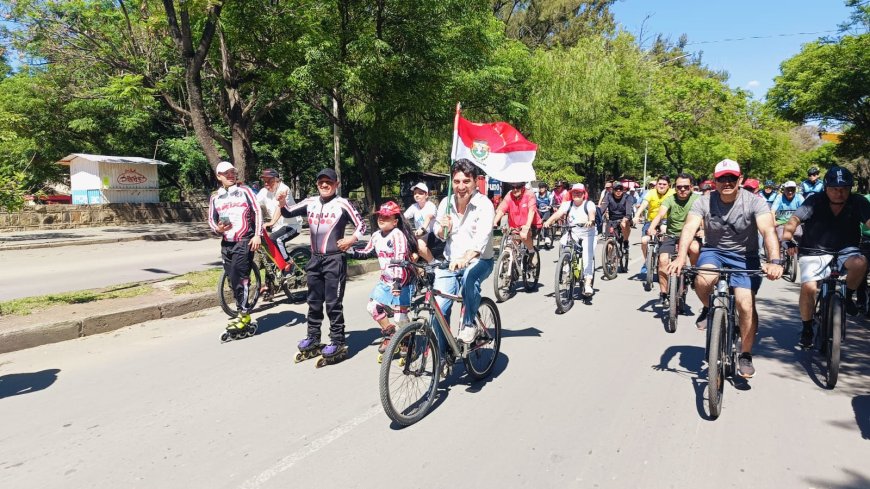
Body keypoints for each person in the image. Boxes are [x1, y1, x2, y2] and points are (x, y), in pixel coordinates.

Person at [668, 159, 783, 379]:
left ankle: (745, 354)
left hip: (745, 256)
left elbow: (768, 231)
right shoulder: (704, 200)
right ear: (715, 181)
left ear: (739, 179)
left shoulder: (755, 202)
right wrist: (681, 257)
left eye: (732, 178)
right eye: (722, 179)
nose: (727, 182)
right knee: (702, 280)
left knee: (745, 305)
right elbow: (690, 227)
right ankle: (708, 307)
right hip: (714, 251)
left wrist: (774, 262)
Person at [279, 168, 366, 360]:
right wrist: (282, 202)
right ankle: (313, 337)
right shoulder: (310, 202)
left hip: (334, 259)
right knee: (314, 301)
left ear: (337, 184)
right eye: (321, 182)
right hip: (315, 259)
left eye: (329, 182)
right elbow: (288, 211)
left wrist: (352, 239)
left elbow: (362, 225)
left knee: (333, 303)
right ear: (317, 184)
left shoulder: (343, 204)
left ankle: (337, 340)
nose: (325, 185)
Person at [781, 166, 870, 348]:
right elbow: (793, 221)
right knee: (809, 287)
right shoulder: (814, 201)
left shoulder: (858, 201)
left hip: (846, 249)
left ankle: (848, 297)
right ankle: (807, 327)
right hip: (814, 250)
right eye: (835, 189)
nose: (839, 193)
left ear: (850, 188)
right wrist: (788, 239)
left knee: (861, 262)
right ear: (826, 188)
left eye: (844, 188)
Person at [433, 159, 495, 345]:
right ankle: (444, 357)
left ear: (476, 182)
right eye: (457, 181)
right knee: (438, 311)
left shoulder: (484, 205)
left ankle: (469, 323)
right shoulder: (446, 202)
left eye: (466, 181)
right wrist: (443, 228)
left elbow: (481, 241)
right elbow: (439, 234)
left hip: (479, 261)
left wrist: (465, 257)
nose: (461, 186)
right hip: (449, 263)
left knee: (469, 276)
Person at [347, 201, 414, 355]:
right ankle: (390, 334)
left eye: (386, 217)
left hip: (402, 282)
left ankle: (407, 338)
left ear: (395, 221)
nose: (381, 219)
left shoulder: (398, 235)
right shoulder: (376, 235)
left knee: (399, 318)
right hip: (385, 280)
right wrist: (349, 251)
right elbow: (367, 251)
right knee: (372, 307)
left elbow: (399, 259)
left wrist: (397, 283)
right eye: (380, 217)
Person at [207, 161, 263, 334]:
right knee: (232, 279)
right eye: (226, 173)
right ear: (219, 177)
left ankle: (244, 314)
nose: (230, 175)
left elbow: (258, 212)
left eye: (232, 172)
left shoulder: (245, 191)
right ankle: (241, 307)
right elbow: (211, 220)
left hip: (244, 240)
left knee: (241, 277)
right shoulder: (216, 197)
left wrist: (257, 234)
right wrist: (218, 229)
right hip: (226, 243)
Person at [646, 173, 701, 308]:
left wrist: (703, 229)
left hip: (690, 236)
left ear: (691, 187)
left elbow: (704, 216)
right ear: (674, 187)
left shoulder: (698, 200)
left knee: (695, 248)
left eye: (686, 187)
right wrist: (652, 228)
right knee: (663, 260)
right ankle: (663, 294)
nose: (682, 190)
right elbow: (660, 214)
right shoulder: (670, 199)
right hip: (671, 235)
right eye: (679, 187)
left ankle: (693, 273)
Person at [543, 183, 597, 297]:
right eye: (574, 192)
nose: (577, 194)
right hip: (573, 232)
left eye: (579, 192)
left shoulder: (589, 204)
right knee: (563, 243)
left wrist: (591, 221)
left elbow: (592, 214)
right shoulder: (568, 204)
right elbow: (558, 214)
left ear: (584, 194)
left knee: (587, 256)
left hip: (588, 234)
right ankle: (566, 264)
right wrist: (549, 221)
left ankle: (587, 282)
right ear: (571, 194)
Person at [256, 168, 302, 269]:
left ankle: (288, 263)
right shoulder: (264, 192)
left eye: (270, 181)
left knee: (276, 239)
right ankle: (272, 282)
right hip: (277, 227)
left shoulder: (284, 189)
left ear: (277, 180)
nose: (267, 184)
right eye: (265, 181)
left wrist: (271, 222)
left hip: (292, 225)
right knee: (270, 252)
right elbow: (254, 203)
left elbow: (279, 208)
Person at [635, 175, 674, 276]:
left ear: (669, 185)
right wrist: (636, 215)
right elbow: (643, 204)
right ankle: (647, 261)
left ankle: (663, 257)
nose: (661, 186)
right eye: (659, 184)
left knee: (664, 231)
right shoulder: (651, 193)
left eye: (664, 184)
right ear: (656, 185)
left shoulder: (672, 193)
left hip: (666, 220)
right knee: (644, 241)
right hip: (651, 221)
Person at [493, 180, 542, 258]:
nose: (515, 190)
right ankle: (511, 263)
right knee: (511, 246)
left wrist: (527, 227)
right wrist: (495, 222)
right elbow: (502, 209)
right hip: (516, 226)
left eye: (518, 187)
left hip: (533, 224)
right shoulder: (509, 195)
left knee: (524, 236)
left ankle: (532, 252)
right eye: (513, 187)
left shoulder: (529, 194)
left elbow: (531, 211)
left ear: (523, 187)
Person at [403, 182, 439, 262]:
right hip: (420, 235)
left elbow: (428, 217)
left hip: (432, 235)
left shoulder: (430, 205)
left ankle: (433, 263)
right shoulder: (414, 207)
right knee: (412, 257)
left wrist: (422, 229)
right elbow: (404, 217)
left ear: (426, 195)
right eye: (415, 193)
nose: (417, 195)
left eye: (420, 193)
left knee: (420, 246)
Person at [599, 181, 634, 249]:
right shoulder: (608, 195)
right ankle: (610, 258)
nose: (618, 191)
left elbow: (629, 211)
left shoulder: (627, 197)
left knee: (624, 224)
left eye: (620, 189)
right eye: (616, 189)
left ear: (623, 190)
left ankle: (626, 241)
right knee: (609, 246)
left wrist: (626, 218)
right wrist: (597, 216)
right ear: (613, 189)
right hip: (612, 220)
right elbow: (603, 208)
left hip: (624, 218)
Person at [535, 182, 555, 248]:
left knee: (546, 220)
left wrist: (549, 206)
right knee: (536, 220)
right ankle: (538, 234)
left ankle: (547, 236)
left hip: (547, 211)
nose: (541, 189)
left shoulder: (549, 194)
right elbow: (534, 203)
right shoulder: (536, 195)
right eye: (540, 187)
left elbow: (552, 203)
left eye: (542, 187)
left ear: (545, 188)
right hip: (539, 211)